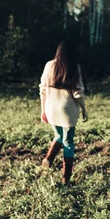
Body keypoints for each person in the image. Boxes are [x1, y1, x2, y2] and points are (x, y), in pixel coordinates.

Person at [39, 40, 88, 184]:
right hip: (68, 110)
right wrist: (84, 110)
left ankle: (48, 159)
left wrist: (43, 110)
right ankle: (66, 177)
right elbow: (78, 92)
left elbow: (42, 89)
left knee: (58, 135)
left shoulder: (49, 65)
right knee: (68, 141)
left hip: (51, 107)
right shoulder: (74, 67)